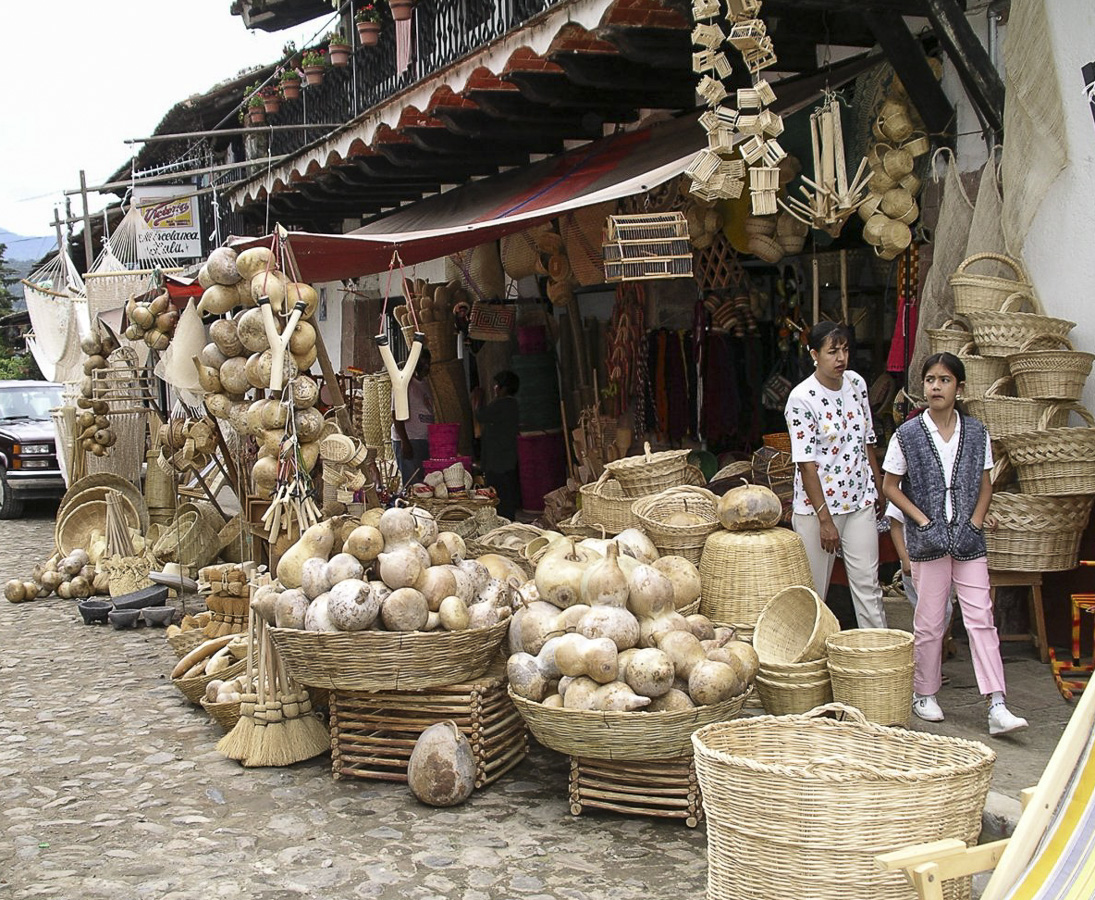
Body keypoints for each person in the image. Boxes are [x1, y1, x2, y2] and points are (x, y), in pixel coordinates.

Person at [882, 351, 1028, 736]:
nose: (935, 387)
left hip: (968, 540)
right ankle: (924, 692)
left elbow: (986, 484)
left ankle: (997, 702)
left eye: (944, 380)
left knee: (981, 617)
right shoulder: (907, 435)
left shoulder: (977, 432)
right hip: (928, 541)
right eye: (930, 380)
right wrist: (922, 520)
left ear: (958, 388)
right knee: (930, 622)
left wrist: (977, 520)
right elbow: (889, 487)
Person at [784, 321, 887, 629]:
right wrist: (824, 519)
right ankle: (807, 665)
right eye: (832, 351)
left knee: (869, 586)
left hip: (858, 500)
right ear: (814, 354)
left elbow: (866, 438)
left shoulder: (856, 383)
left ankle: (879, 658)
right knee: (815, 593)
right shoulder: (801, 398)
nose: (841, 358)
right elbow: (806, 464)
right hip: (819, 509)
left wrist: (877, 486)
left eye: (845, 350)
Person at [472, 370, 521, 520]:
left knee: (498, 493)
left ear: (504, 388)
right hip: (506, 457)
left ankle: (502, 520)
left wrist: (478, 399)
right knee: (507, 491)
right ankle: (507, 518)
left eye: (497, 385)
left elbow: (481, 415)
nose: (495, 388)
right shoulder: (513, 404)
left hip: (498, 459)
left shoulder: (503, 404)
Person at [391, 347, 433, 489]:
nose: (427, 366)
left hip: (423, 440)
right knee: (413, 485)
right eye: (423, 363)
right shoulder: (404, 383)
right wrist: (405, 442)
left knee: (424, 484)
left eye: (428, 363)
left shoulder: (426, 384)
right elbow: (396, 415)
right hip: (409, 440)